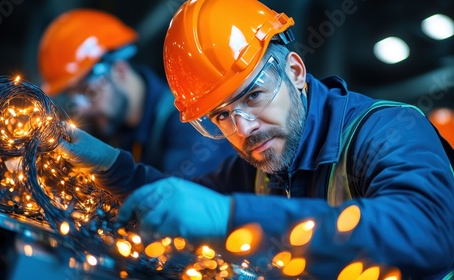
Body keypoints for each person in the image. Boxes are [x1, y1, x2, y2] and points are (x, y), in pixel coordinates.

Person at [56, 0, 454, 278]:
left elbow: (428, 233)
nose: (244, 129)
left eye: (253, 96)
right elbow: (178, 200)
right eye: (222, 116)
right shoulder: (264, 163)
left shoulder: (387, 131)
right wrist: (110, 165)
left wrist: (233, 220)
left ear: (295, 72)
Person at [37, 8, 235, 179]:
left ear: (120, 70)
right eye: (74, 98)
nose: (82, 110)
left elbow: (175, 210)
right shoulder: (116, 129)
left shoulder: (189, 126)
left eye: (89, 93)